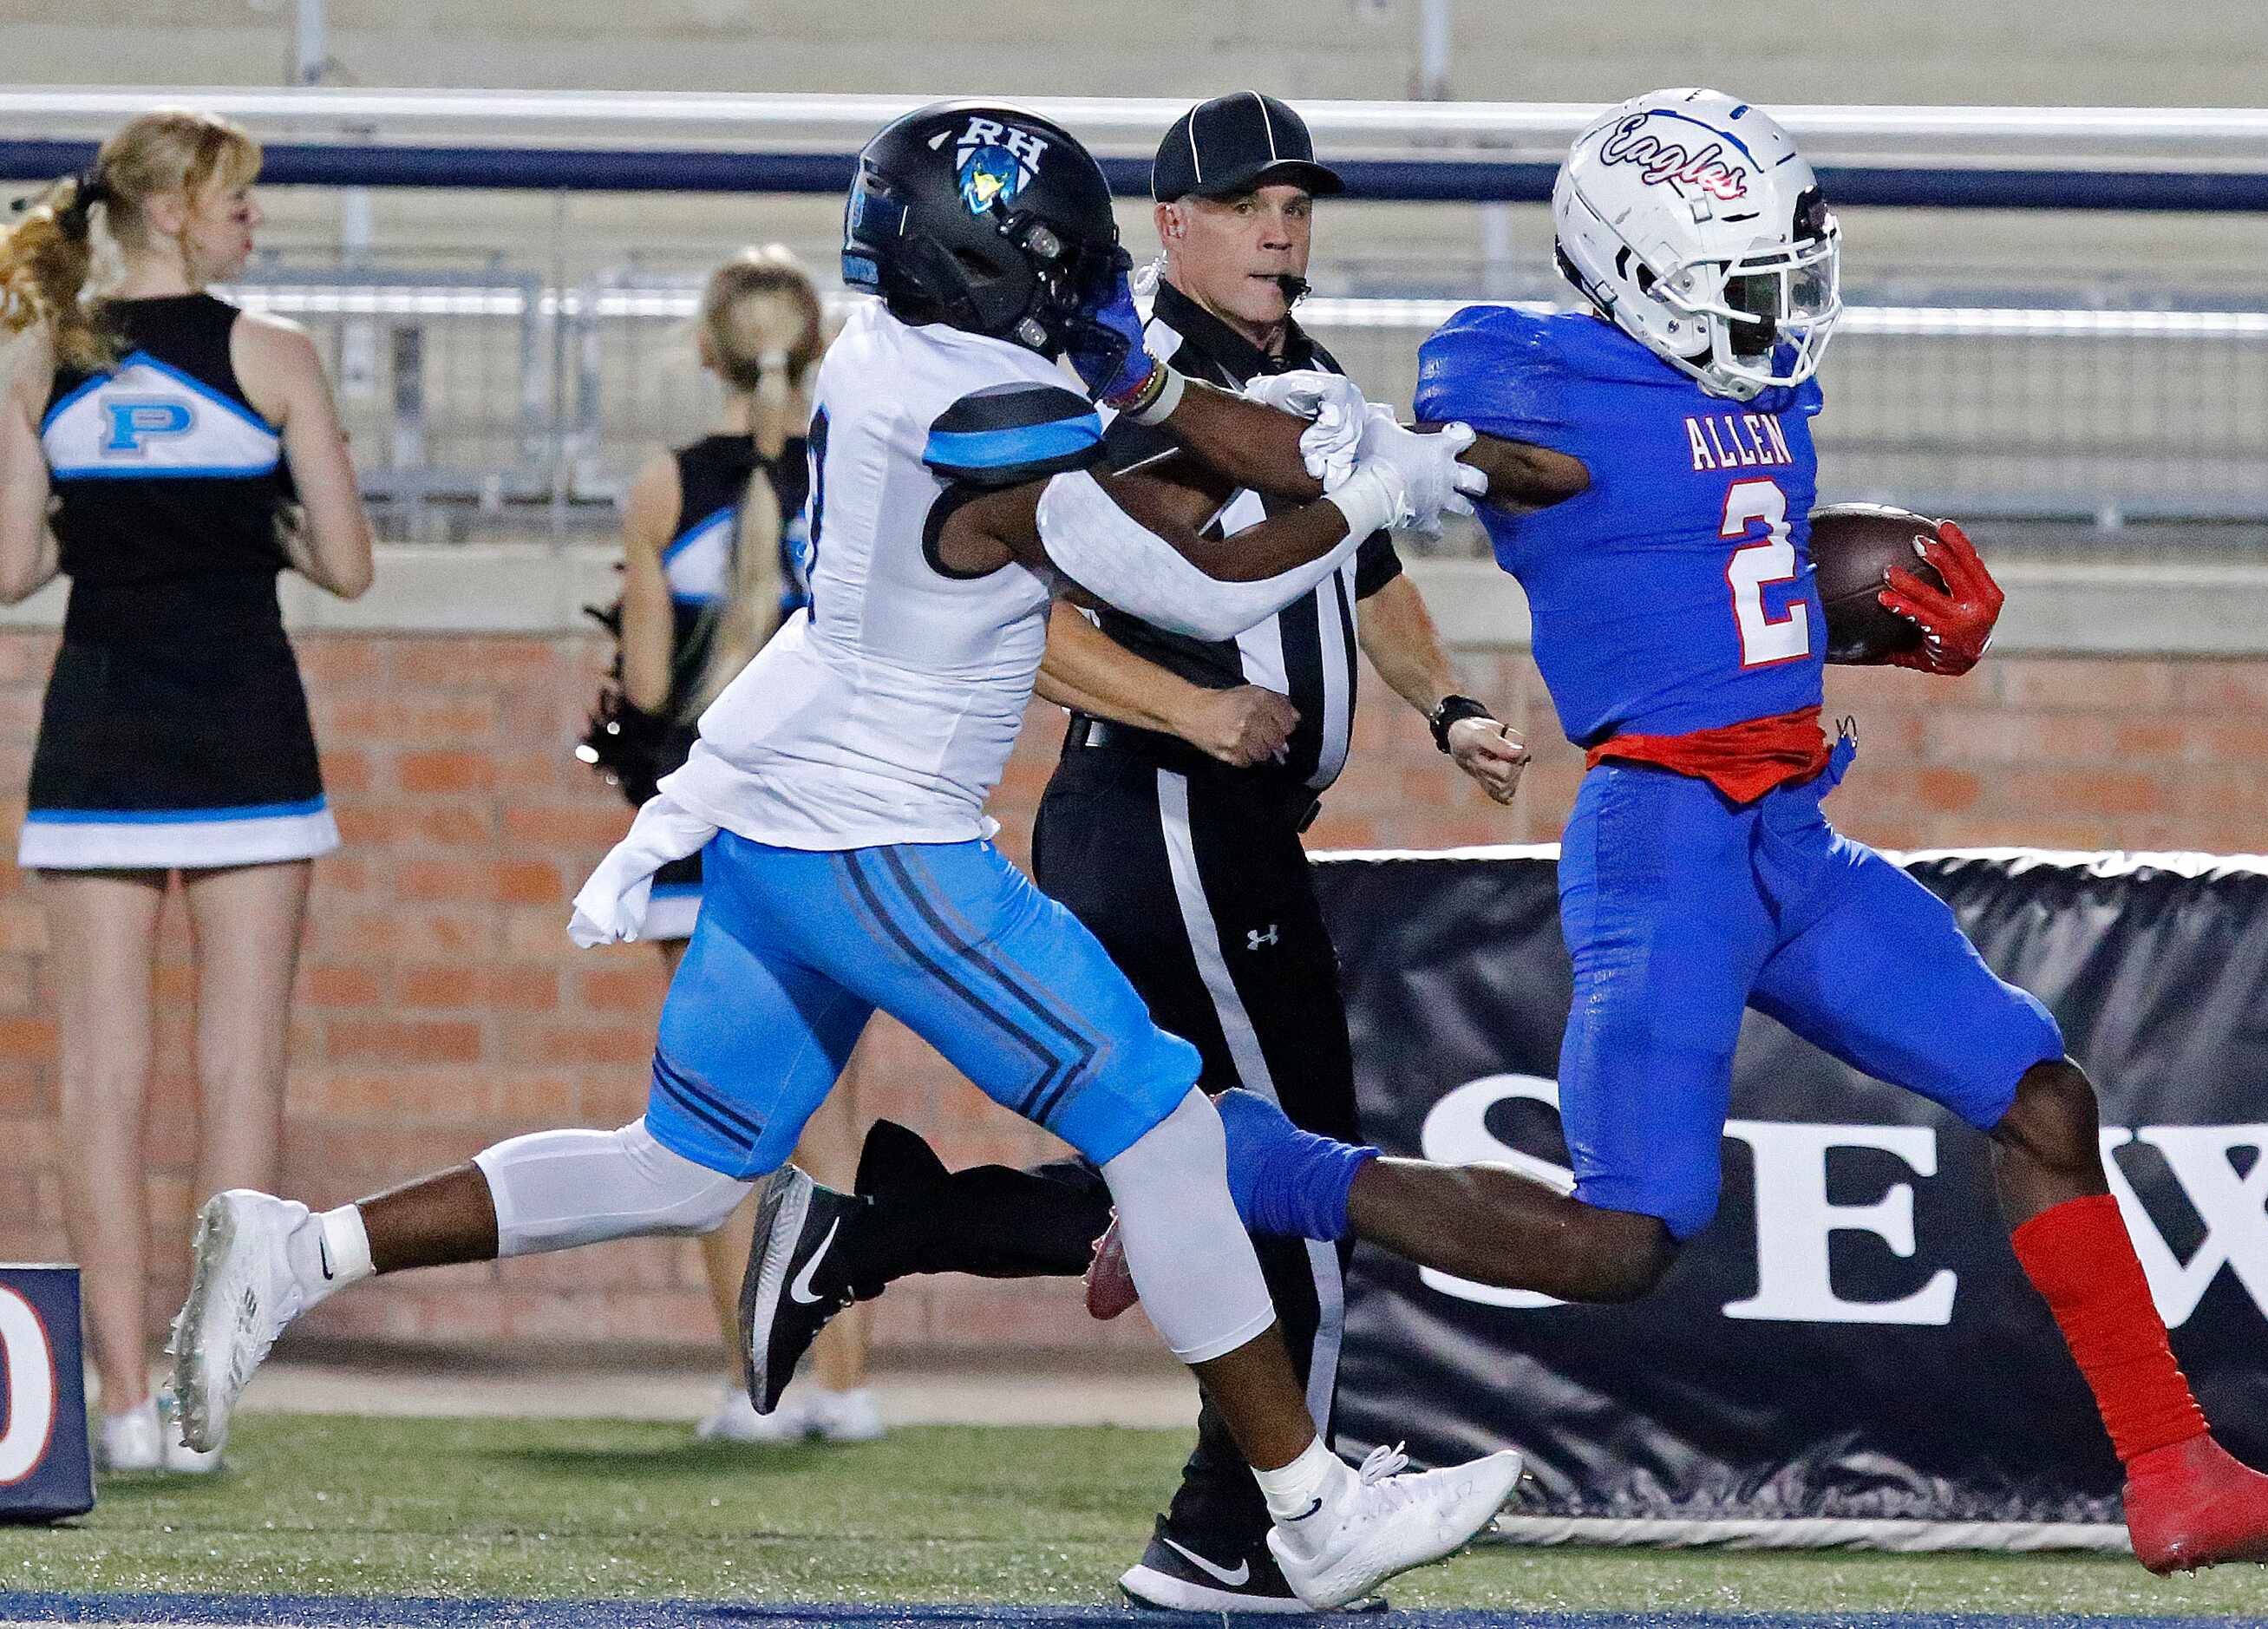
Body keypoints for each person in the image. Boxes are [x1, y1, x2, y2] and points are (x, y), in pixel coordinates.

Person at [762, 88, 2268, 1579]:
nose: (1779, 304)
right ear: (1646, 266)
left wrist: (1867, 598)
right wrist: (1341, 441)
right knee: (1618, 1246)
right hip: (1666, 840)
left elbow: (1711, 540)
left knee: (2039, 1092)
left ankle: (2172, 1468)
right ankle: (1222, 1168)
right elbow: (1514, 468)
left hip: (1787, 835)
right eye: (1746, 272)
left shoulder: (1747, 378)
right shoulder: (1522, 375)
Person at [166, 101, 1517, 1611]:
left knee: (681, 1167)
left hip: (783, 841)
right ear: (994, 265)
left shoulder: (891, 350)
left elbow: (1163, 414)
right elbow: (1199, 586)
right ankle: (1302, 1503)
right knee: (1170, 1127)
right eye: (1064, 257)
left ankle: (299, 1250)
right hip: (889, 850)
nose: (1088, 280)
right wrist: (1368, 492)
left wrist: (1331, 428)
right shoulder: (992, 427)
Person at [754, 92, 1530, 1614]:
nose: (1281, 229)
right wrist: (1188, 701)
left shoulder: (1301, 378)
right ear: (1167, 223)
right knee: (1293, 1158)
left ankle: (906, 1220)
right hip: (1158, 802)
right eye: (1248, 203)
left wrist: (1442, 705)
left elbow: (1365, 572)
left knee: (1201, 1153)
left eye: (1298, 202)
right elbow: (1010, 612)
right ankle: (1247, 1523)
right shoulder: (1111, 376)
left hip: (1232, 820)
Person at [0, 108, 373, 1475]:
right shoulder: (274, 353)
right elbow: (347, 566)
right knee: (237, 1073)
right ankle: (199, 1402)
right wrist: (252, 519)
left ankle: (113, 1405)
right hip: (246, 741)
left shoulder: (48, 355)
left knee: (100, 1080)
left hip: (98, 736)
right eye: (234, 199)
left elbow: (6, 568)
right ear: (168, 208)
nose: (250, 220)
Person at [595, 246, 878, 1445]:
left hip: (706, 829)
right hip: (840, 821)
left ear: (706, 354)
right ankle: (849, 1388)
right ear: (813, 351)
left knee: (714, 1116)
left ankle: (751, 1388)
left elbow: (651, 686)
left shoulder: (666, 486)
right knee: (838, 1116)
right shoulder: (860, 472)